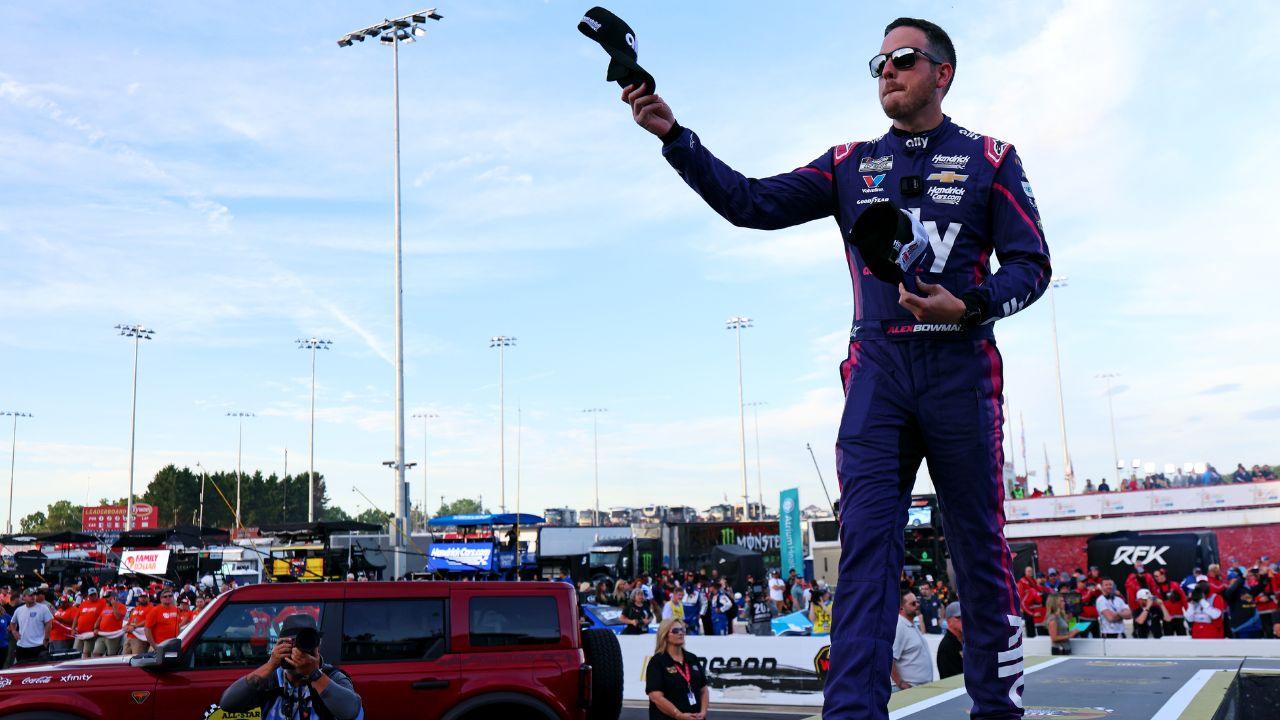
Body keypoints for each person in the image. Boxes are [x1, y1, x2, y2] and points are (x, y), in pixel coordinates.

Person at [621, 15, 1048, 718]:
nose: (887, 70)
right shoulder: (850, 162)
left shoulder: (992, 157)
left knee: (978, 553)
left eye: (904, 59)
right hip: (879, 370)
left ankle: (998, 710)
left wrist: (967, 305)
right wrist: (675, 137)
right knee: (865, 554)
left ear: (942, 73)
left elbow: (1033, 266)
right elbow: (749, 203)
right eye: (877, 62)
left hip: (961, 368)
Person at [220, 613, 364, 720]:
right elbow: (228, 704)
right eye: (292, 644)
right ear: (279, 646)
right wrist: (271, 664)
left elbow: (352, 712)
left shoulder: (332, 677)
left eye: (305, 644)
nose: (299, 651)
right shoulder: (271, 680)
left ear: (317, 648)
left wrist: (315, 674)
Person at [645, 619, 708, 720]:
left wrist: (703, 712)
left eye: (682, 629)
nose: (681, 633)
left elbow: (703, 690)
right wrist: (678, 715)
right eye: (675, 631)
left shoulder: (692, 658)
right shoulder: (657, 662)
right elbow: (655, 696)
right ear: (665, 635)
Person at [891, 592, 932, 690]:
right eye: (913, 603)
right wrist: (900, 683)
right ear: (901, 608)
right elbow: (889, 658)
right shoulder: (899, 627)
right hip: (909, 690)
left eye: (917, 602)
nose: (917, 605)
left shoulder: (911, 624)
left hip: (919, 689)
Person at [10, 588, 52, 664]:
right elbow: (12, 622)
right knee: (23, 670)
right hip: (22, 646)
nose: (33, 597)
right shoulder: (19, 610)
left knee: (40, 670)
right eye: (30, 595)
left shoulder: (43, 608)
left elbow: (49, 623)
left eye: (34, 595)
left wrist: (46, 639)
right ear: (23, 597)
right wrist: (14, 631)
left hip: (39, 645)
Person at [92, 589, 128, 657]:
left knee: (111, 655)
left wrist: (114, 605)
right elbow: (99, 619)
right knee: (96, 653)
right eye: (105, 597)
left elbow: (118, 617)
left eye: (108, 597)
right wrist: (95, 628)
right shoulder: (105, 607)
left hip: (113, 635)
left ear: (115, 597)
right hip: (102, 634)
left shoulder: (122, 606)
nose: (106, 599)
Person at [936, 601, 963, 678]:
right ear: (949, 621)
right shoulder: (946, 647)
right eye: (959, 617)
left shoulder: (965, 641)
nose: (963, 620)